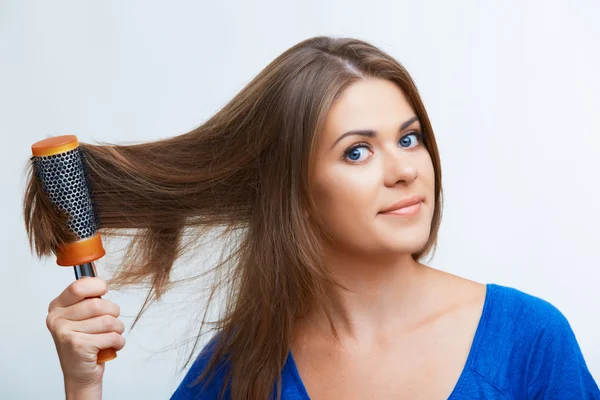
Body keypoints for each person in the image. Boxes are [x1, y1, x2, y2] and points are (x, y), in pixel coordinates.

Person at [24, 36, 599, 400]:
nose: (403, 170)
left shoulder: (527, 338)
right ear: (294, 189)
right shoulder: (243, 367)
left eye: (410, 137)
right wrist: (83, 386)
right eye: (357, 150)